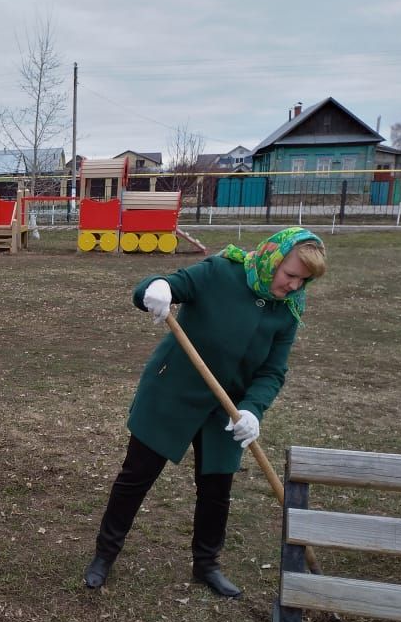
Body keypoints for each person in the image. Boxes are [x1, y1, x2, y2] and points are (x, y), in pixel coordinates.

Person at [83, 227, 327, 598]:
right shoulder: (221, 272)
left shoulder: (289, 311)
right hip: (171, 393)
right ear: (272, 259)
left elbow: (273, 371)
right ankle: (104, 554)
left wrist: (252, 410)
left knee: (216, 490)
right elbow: (157, 287)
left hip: (227, 410)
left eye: (303, 280)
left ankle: (207, 564)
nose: (294, 286)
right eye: (290, 275)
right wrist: (157, 289)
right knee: (137, 476)